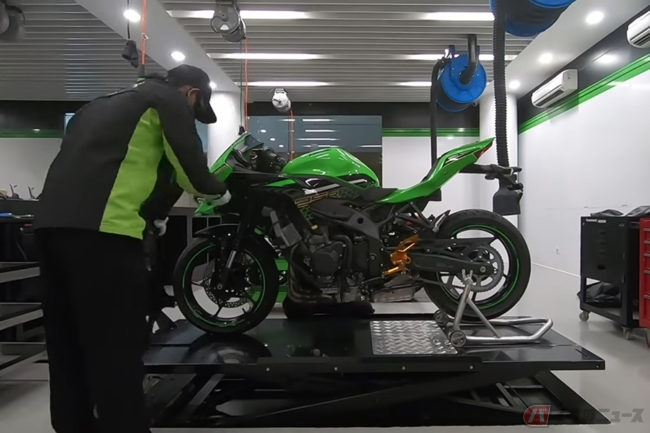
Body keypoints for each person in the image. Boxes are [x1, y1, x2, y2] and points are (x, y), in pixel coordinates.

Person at [34, 64, 229, 433]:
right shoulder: (167, 101)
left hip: (49, 229)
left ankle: (73, 426)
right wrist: (221, 193)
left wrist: (154, 212)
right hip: (104, 235)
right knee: (116, 346)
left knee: (66, 344)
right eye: (195, 108)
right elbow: (190, 169)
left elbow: (105, 168)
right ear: (191, 94)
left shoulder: (97, 106)